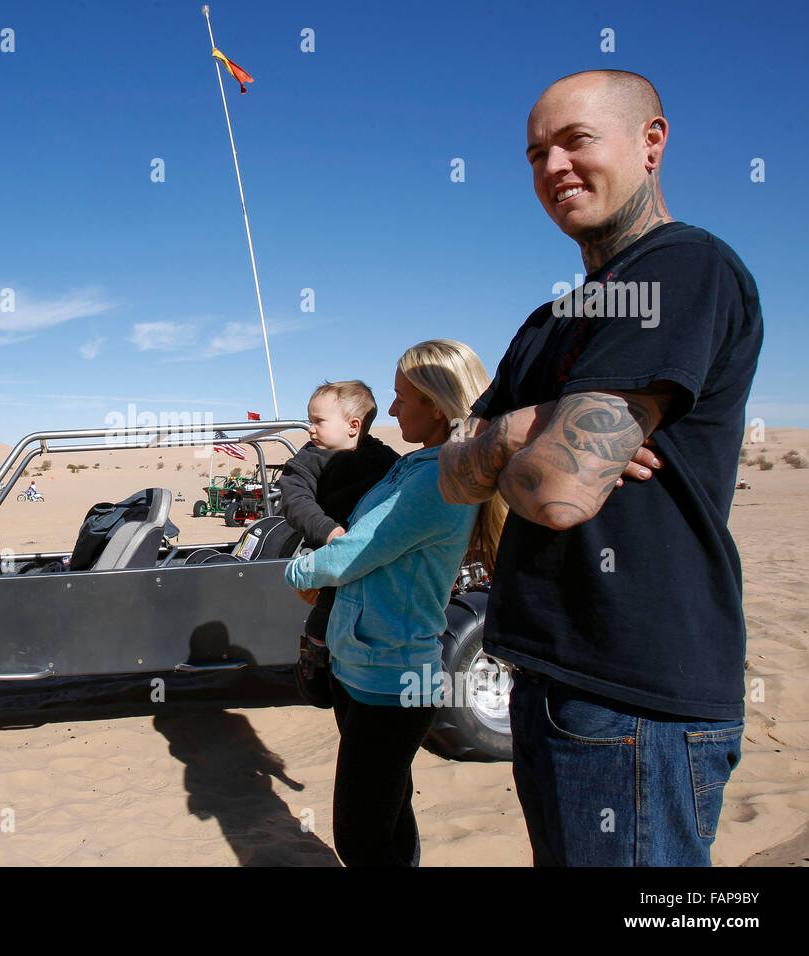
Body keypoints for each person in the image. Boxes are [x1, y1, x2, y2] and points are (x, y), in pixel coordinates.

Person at [437, 70, 763, 866]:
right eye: (536, 153)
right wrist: (527, 426)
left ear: (651, 142)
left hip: (635, 688)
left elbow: (554, 493)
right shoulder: (551, 320)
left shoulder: (684, 268)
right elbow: (451, 476)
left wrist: (505, 448)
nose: (554, 167)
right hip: (543, 668)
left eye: (576, 141)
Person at [285, 341, 506, 866]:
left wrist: (301, 570)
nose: (393, 408)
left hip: (393, 677)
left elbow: (359, 549)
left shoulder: (432, 478)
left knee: (362, 837)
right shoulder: (416, 466)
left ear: (435, 403)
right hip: (368, 668)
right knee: (388, 817)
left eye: (403, 397)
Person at [278, 381, 400, 708]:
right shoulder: (308, 459)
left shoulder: (381, 457)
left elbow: (402, 487)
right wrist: (329, 531)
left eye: (318, 421)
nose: (310, 428)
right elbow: (295, 499)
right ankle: (314, 664)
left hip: (377, 557)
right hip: (333, 556)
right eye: (309, 420)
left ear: (353, 426)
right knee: (327, 612)